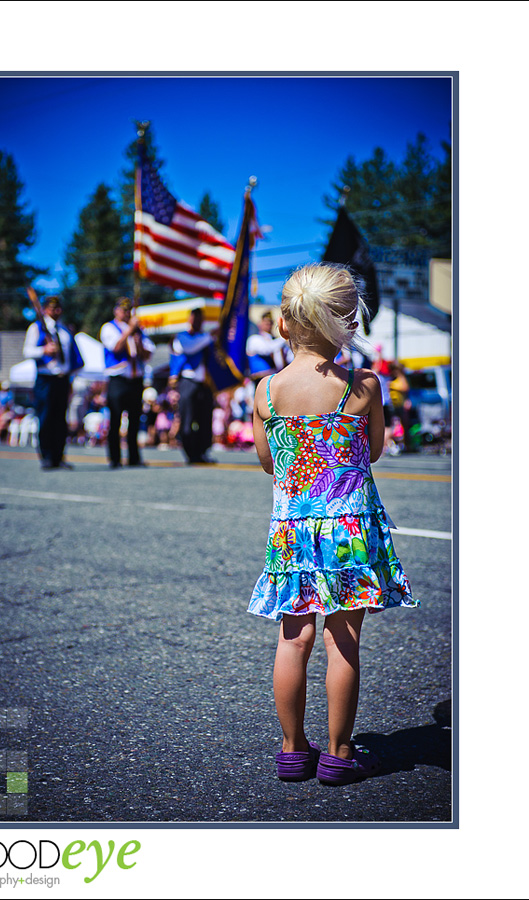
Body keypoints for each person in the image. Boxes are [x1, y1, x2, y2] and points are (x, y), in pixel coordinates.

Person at [248, 263, 419, 786]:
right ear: (348, 323)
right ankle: (341, 753)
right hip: (349, 532)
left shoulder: (267, 390)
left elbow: (267, 462)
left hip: (294, 532)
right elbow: (374, 450)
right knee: (342, 642)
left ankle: (293, 748)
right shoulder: (363, 386)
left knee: (292, 640)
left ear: (282, 325)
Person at [23, 295, 84, 469]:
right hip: (45, 379)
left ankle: (59, 456)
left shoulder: (65, 331)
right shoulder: (36, 328)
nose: (55, 311)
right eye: (51, 308)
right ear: (44, 309)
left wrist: (71, 378)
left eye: (58, 308)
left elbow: (74, 359)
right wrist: (44, 350)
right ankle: (47, 456)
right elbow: (27, 351)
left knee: (60, 419)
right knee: (46, 416)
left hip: (62, 379)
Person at [100, 297, 155, 468]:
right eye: (122, 310)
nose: (126, 313)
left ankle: (134, 457)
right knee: (116, 419)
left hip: (135, 379)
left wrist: (138, 344)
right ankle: (115, 458)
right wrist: (130, 329)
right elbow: (116, 347)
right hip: (118, 378)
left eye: (128, 310)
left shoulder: (139, 331)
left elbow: (147, 354)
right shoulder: (109, 328)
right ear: (116, 311)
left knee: (135, 419)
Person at [169, 307, 217, 464]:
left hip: (204, 383)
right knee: (187, 419)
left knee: (205, 419)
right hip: (188, 382)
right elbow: (190, 347)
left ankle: (202, 452)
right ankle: (190, 453)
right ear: (189, 319)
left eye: (200, 319)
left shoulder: (205, 337)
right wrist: (210, 336)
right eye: (195, 318)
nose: (197, 321)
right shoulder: (183, 337)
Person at [246, 310, 291, 383]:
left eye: (270, 323)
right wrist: (284, 337)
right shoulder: (254, 339)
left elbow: (289, 357)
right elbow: (267, 349)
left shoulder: (276, 341)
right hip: (258, 379)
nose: (268, 325)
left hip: (275, 378)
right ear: (259, 324)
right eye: (265, 323)